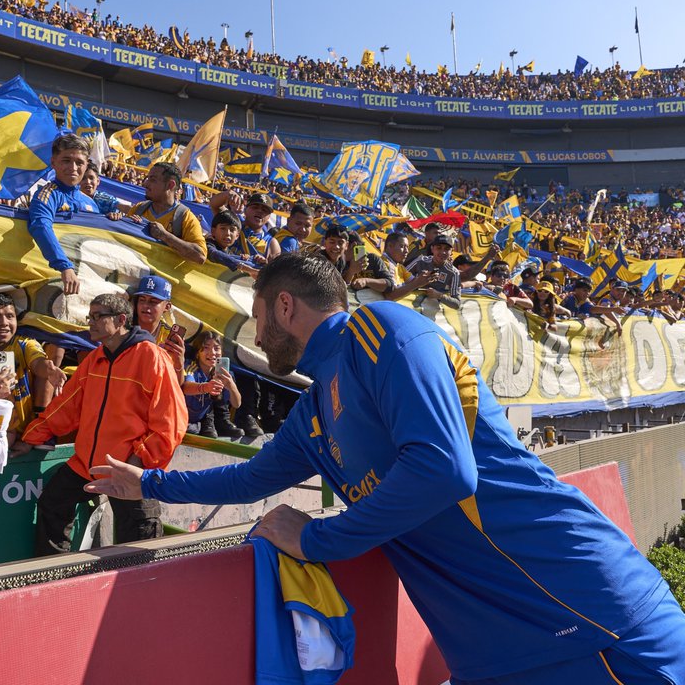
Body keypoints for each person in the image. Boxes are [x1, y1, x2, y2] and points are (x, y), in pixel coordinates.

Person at [86, 254, 685, 685]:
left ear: (285, 306)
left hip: (587, 619)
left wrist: (316, 538)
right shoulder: (314, 409)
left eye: (259, 316)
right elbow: (248, 479)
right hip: (491, 656)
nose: (257, 335)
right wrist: (149, 483)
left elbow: (444, 470)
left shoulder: (386, 330)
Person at [13, 292, 188, 555]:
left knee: (138, 541)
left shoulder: (152, 357)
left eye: (97, 316)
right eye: (90, 316)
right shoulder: (95, 359)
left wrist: (139, 461)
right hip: (88, 464)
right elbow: (66, 406)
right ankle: (55, 572)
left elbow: (171, 422)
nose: (91, 322)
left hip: (130, 467)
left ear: (120, 320)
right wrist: (31, 438)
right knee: (52, 502)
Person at [0, 293, 66, 436]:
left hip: (25, 434)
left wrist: (49, 371)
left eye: (10, 316)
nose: (4, 322)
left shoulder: (25, 344)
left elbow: (38, 363)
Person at [27, 133, 99, 295]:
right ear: (53, 162)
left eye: (79, 162)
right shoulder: (47, 194)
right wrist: (64, 266)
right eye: (66, 161)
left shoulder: (90, 202)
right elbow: (41, 226)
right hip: (56, 279)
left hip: (88, 280)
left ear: (87, 164)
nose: (73, 168)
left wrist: (114, 220)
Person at [125, 162, 207, 264]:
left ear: (170, 185)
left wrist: (165, 236)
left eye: (153, 180)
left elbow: (200, 257)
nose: (145, 184)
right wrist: (115, 219)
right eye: (147, 178)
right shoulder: (139, 208)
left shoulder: (186, 217)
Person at [182, 330, 242, 440]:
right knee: (191, 429)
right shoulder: (191, 367)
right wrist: (206, 387)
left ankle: (201, 425)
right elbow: (186, 387)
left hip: (197, 419)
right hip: (182, 416)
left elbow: (236, 404)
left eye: (217, 348)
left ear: (222, 352)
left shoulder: (223, 373)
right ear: (197, 353)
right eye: (206, 348)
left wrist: (231, 385)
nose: (212, 352)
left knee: (194, 429)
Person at [406, 234, 462, 310]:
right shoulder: (420, 261)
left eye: (447, 249)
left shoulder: (454, 272)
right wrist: (417, 282)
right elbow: (400, 278)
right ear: (432, 249)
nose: (443, 252)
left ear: (451, 251)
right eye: (439, 248)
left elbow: (457, 304)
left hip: (433, 314)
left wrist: (440, 296)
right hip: (411, 309)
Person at [205, 209, 260, 277]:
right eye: (223, 228)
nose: (228, 233)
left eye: (232, 230)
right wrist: (242, 266)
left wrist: (252, 260)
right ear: (213, 231)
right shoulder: (207, 244)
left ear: (237, 235)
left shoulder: (230, 253)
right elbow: (215, 254)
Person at [234, 192, 281, 263]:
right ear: (245, 210)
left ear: (269, 217)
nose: (259, 211)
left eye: (265, 210)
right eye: (255, 207)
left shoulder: (272, 244)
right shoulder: (232, 226)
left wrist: (264, 264)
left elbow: (275, 269)